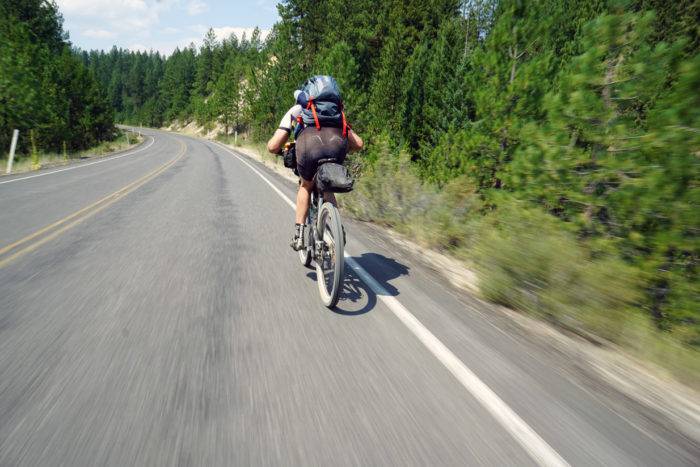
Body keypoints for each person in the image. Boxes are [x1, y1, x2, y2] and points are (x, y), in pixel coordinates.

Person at [267, 77, 363, 251]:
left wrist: (279, 150)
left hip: (309, 148)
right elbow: (359, 144)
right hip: (336, 147)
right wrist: (341, 149)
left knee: (306, 185)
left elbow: (273, 146)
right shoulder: (337, 113)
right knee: (327, 187)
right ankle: (337, 230)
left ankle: (299, 235)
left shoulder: (299, 109)